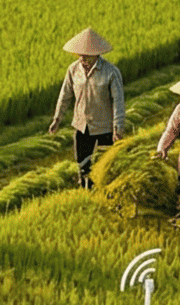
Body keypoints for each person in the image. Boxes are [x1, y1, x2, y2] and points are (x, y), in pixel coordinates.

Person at [48, 28, 126, 189]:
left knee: (105, 164)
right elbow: (65, 95)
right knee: (82, 163)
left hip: (105, 126)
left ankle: (105, 190)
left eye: (86, 55)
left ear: (96, 54)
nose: (82, 58)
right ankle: (85, 189)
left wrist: (118, 127)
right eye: (80, 54)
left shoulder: (110, 72)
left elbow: (118, 101)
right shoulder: (73, 70)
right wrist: (57, 119)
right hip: (82, 125)